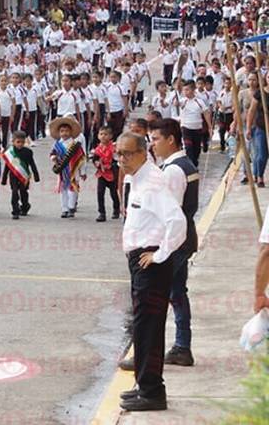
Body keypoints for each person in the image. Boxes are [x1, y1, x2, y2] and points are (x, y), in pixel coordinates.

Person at [117, 131, 186, 412]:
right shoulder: (137, 178)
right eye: (119, 153)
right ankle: (145, 384)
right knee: (143, 326)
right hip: (139, 261)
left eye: (127, 153)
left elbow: (177, 222)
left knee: (149, 327)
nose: (121, 159)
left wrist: (159, 254)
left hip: (151, 265)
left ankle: (153, 391)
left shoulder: (153, 184)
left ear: (143, 153)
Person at [149, 118, 199, 367]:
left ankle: (150, 353)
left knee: (157, 296)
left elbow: (170, 213)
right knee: (177, 293)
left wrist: (160, 249)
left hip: (175, 242)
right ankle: (182, 346)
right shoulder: (183, 164)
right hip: (184, 238)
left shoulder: (173, 170)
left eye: (156, 139)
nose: (152, 144)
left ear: (171, 140)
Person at [49, 116, 86, 218]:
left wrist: (83, 172)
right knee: (63, 190)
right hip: (62, 171)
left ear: (71, 132)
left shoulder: (75, 145)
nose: (64, 133)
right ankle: (64, 209)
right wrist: (53, 158)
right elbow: (52, 153)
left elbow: (82, 159)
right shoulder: (57, 144)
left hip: (74, 171)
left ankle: (71, 207)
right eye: (62, 131)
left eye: (66, 131)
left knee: (72, 189)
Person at [1, 130, 39, 220]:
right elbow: (7, 166)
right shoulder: (10, 153)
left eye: (22, 142)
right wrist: (4, 178)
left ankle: (25, 206)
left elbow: (32, 164)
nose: (20, 144)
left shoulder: (28, 152)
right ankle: (15, 211)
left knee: (23, 192)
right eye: (18, 142)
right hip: (13, 176)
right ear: (13, 142)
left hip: (24, 176)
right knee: (14, 192)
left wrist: (36, 175)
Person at [178, 80, 212, 167]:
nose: (185, 92)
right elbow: (177, 102)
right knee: (189, 149)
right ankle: (191, 167)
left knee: (196, 150)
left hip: (197, 129)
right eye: (184, 90)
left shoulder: (199, 102)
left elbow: (206, 113)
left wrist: (210, 127)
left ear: (193, 90)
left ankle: (194, 164)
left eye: (187, 90)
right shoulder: (183, 101)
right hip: (186, 128)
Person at [91, 125, 121, 222]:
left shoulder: (114, 148)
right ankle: (101, 213)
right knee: (100, 193)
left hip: (112, 173)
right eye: (101, 134)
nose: (103, 136)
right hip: (101, 174)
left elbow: (117, 160)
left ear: (111, 136)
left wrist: (111, 165)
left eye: (106, 134)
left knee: (114, 193)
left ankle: (116, 209)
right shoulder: (97, 148)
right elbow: (94, 158)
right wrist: (96, 163)